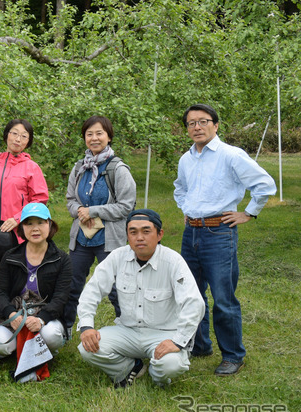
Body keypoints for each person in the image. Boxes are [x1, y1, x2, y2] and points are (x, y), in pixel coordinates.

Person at [174, 104, 276, 376]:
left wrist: (249, 213)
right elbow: (179, 188)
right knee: (191, 294)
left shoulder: (231, 155)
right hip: (191, 233)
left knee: (223, 297)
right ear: (187, 129)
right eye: (191, 123)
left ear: (215, 125)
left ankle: (233, 355)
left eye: (203, 121)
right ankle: (199, 345)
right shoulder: (186, 159)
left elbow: (264, 184)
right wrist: (187, 209)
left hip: (219, 233)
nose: (197, 127)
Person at [77, 209, 205, 388]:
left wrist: (177, 340)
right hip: (128, 331)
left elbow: (194, 303)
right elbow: (92, 291)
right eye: (133, 232)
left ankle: (156, 374)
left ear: (159, 234)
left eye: (146, 231)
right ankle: (130, 367)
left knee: (170, 365)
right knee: (87, 348)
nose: (139, 237)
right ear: (127, 235)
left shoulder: (173, 262)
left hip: (164, 333)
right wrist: (86, 326)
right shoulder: (117, 257)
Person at [65, 115, 136, 337]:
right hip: (82, 238)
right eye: (89, 134)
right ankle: (63, 328)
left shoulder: (118, 169)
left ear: (109, 136)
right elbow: (69, 200)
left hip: (109, 240)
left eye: (99, 133)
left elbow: (126, 206)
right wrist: (78, 211)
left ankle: (128, 331)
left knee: (117, 288)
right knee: (71, 285)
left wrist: (93, 211)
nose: (94, 138)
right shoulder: (80, 167)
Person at [0, 203, 71, 359]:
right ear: (22, 228)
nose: (35, 228)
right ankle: (22, 349)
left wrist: (42, 319)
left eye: (40, 222)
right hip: (16, 313)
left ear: (50, 225)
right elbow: (0, 291)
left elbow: (61, 297)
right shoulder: (10, 256)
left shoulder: (62, 259)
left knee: (51, 336)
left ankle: (44, 349)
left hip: (46, 316)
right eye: (29, 223)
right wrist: (11, 314)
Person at [0, 119, 48, 277]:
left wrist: (18, 218)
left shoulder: (31, 168)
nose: (18, 139)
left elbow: (39, 199)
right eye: (15, 134)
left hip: (20, 233)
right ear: (6, 136)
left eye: (24, 136)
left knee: (19, 277)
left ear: (28, 141)